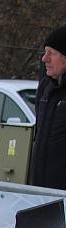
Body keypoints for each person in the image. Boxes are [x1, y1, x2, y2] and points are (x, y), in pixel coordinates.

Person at [30, 25, 66, 190]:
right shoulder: (46, 88)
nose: (45, 59)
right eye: (45, 52)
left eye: (51, 53)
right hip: (41, 192)